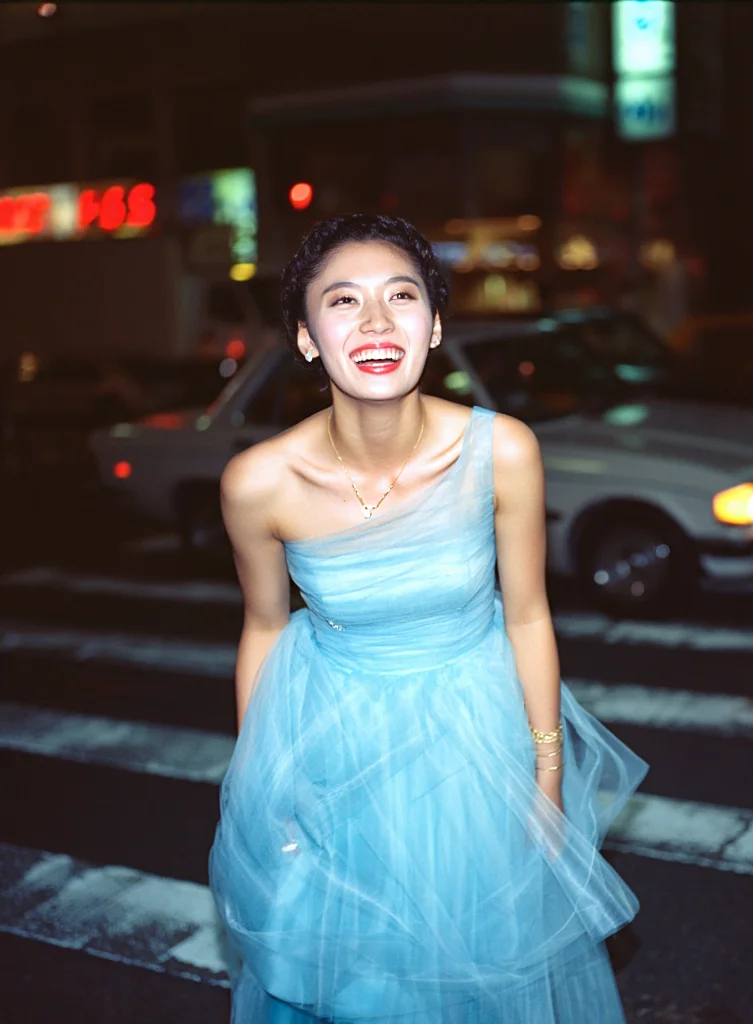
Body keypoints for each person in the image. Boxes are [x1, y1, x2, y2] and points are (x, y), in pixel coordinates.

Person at [208, 214, 648, 1024]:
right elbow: (265, 628)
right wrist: (266, 787)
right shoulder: (258, 482)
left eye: (400, 296)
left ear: (435, 326)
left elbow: (526, 613)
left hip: (471, 741)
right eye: (342, 302)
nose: (375, 323)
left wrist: (547, 774)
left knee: (480, 968)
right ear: (307, 339)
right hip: (335, 738)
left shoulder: (501, 449)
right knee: (355, 981)